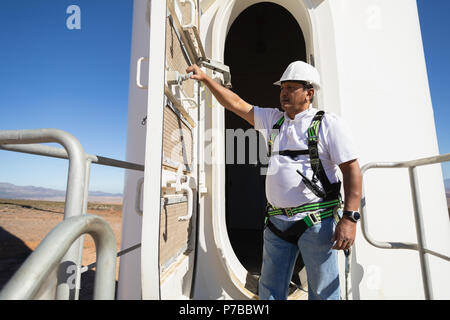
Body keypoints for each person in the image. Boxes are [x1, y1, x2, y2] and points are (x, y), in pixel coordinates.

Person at [186, 61, 362, 300]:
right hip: (276, 223)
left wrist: (350, 219)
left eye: (291, 87)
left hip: (316, 223)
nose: (284, 93)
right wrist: (206, 80)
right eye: (282, 88)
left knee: (323, 293)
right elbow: (236, 104)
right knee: (269, 292)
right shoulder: (273, 120)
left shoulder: (327, 124)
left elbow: (352, 170)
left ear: (309, 93)